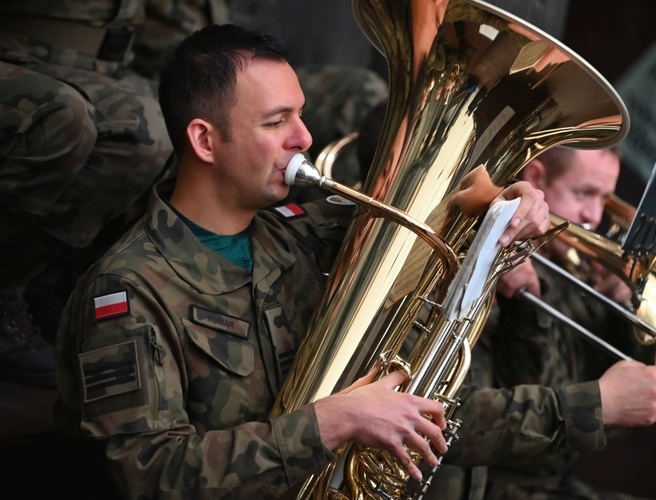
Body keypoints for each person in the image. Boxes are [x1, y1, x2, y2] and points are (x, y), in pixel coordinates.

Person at [53, 24, 551, 499]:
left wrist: (508, 203)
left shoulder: (303, 229)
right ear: (205, 140)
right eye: (276, 122)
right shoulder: (127, 289)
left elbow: (450, 216)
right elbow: (151, 475)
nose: (305, 137)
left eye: (300, 115)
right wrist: (335, 421)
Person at [429, 146, 656, 499]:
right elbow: (540, 397)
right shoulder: (491, 255)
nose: (593, 216)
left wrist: (617, 311)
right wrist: (525, 306)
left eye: (604, 199)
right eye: (584, 193)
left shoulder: (569, 269)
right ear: (535, 179)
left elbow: (585, 380)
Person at [0, 0, 173, 388]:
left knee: (167, 129)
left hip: (102, 61)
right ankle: (7, 287)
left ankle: (45, 281)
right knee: (62, 117)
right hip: (21, 49)